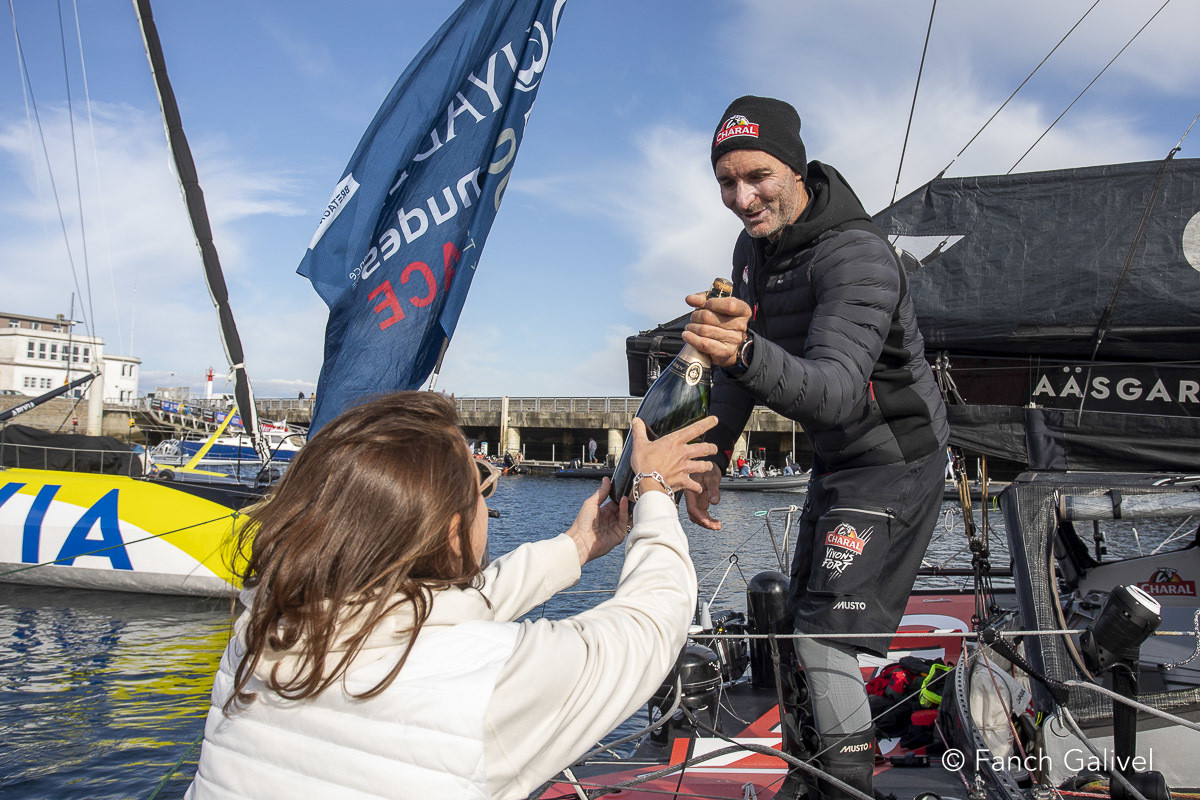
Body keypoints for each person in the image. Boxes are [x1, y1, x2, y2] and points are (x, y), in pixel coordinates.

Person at [185, 391, 718, 800]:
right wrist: (654, 493)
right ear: (450, 531)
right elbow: (651, 624)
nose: (488, 502)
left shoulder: (263, 627)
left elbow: (442, 608)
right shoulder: (485, 683)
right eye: (480, 490)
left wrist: (577, 546)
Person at [682, 95, 949, 800]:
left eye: (758, 177)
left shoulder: (858, 256)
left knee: (824, 639)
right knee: (794, 628)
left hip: (895, 461)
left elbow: (832, 390)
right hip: (835, 458)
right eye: (726, 184)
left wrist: (740, 351)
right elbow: (741, 372)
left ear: (795, 170)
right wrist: (710, 457)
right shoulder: (754, 251)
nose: (742, 198)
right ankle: (805, 780)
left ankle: (846, 792)